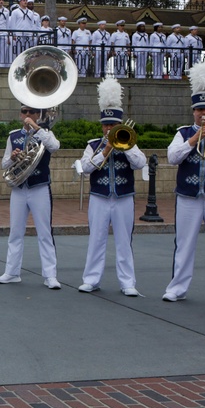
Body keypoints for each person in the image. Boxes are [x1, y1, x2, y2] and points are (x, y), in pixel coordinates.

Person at [163, 61, 205, 307]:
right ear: (193, 111)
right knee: (184, 243)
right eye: (199, 109)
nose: (204, 114)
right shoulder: (182, 132)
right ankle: (177, 288)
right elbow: (173, 158)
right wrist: (194, 138)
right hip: (188, 196)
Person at [78, 78, 146, 297]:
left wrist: (124, 146)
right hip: (99, 197)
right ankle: (91, 279)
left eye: (113, 125)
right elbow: (86, 168)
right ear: (102, 125)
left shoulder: (130, 143)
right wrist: (106, 149)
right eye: (106, 125)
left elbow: (140, 163)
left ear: (120, 125)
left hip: (124, 197)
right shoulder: (92, 145)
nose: (109, 129)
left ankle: (128, 282)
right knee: (96, 239)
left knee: (124, 241)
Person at [0, 102, 62, 289]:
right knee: (15, 232)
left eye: (31, 112)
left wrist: (37, 128)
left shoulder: (45, 133)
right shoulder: (13, 136)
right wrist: (13, 157)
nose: (27, 115)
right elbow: (3, 163)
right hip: (18, 189)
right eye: (24, 111)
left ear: (38, 114)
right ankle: (12, 272)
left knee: (44, 233)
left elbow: (55, 146)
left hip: (39, 187)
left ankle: (50, 275)